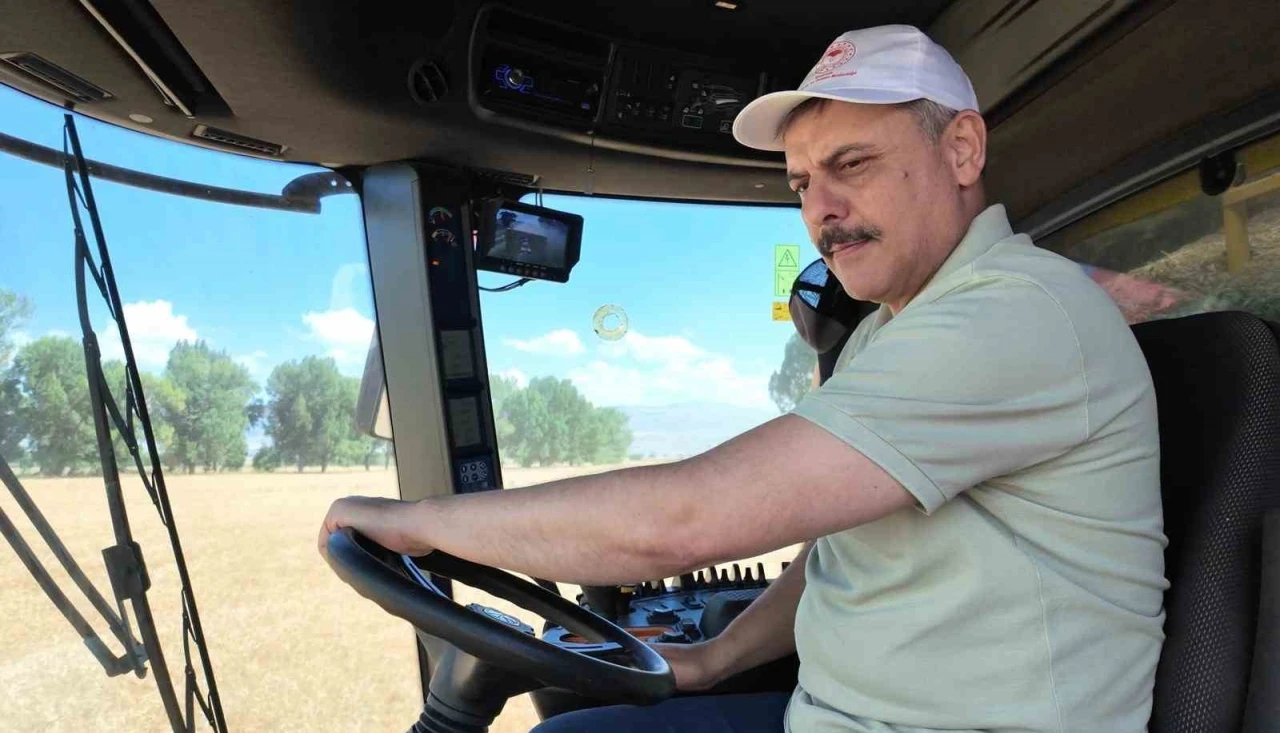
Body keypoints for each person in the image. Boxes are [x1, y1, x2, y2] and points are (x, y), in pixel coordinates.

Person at [318, 24, 1168, 733]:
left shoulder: (1018, 312)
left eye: (852, 164)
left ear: (962, 149)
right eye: (802, 182)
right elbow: (838, 546)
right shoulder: (890, 332)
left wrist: (421, 520)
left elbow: (684, 519)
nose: (820, 209)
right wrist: (715, 658)